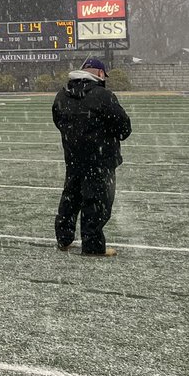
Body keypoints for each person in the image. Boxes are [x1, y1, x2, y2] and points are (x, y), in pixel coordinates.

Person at [51, 57, 132, 257]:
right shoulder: (104, 96)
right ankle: (93, 246)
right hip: (100, 160)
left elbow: (58, 121)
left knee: (71, 197)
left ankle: (64, 238)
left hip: (73, 157)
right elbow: (124, 128)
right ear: (101, 74)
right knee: (97, 202)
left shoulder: (62, 95)